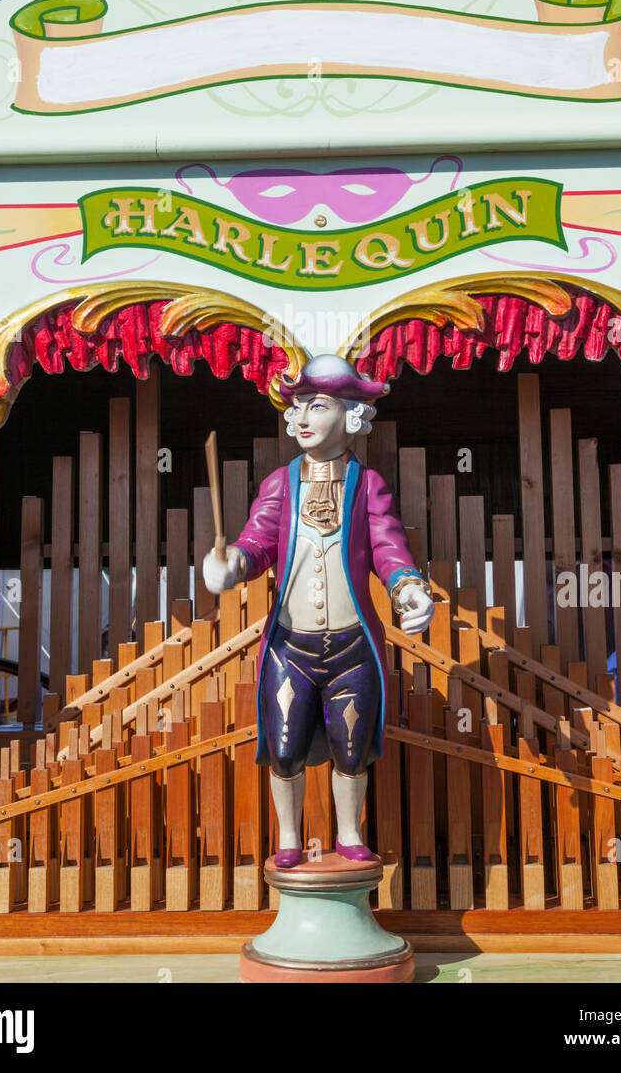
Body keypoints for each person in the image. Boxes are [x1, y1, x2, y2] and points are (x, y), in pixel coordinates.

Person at [203, 354, 434, 866]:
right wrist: (230, 565)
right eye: (299, 407)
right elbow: (256, 541)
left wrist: (408, 587)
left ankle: (348, 833)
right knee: (284, 749)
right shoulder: (280, 485)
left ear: (352, 414)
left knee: (352, 749)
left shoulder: (368, 485)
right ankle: (288, 838)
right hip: (291, 645)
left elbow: (387, 547)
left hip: (352, 644)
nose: (302, 418)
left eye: (318, 405)